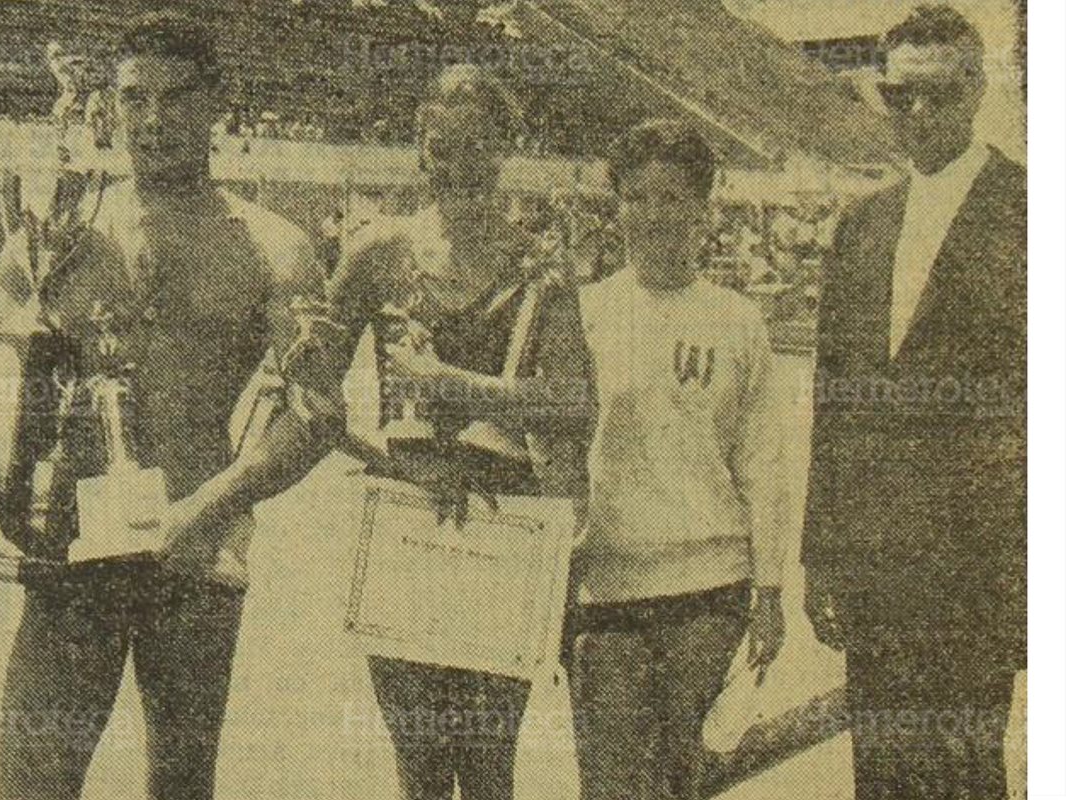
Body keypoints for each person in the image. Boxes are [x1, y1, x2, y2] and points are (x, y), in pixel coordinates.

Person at [0, 13, 341, 800]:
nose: (152, 120)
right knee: (32, 786)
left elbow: (318, 414)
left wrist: (207, 509)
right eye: (134, 97)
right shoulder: (65, 229)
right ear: (110, 107)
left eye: (177, 98)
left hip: (195, 556)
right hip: (69, 550)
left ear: (217, 103)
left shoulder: (272, 245)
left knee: (181, 789)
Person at [326, 63, 595, 800]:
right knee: (417, 770)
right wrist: (389, 463)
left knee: (486, 772)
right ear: (422, 149)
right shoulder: (377, 255)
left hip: (504, 524)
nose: (460, 165)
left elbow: (574, 406)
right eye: (444, 147)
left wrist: (454, 386)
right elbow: (307, 397)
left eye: (478, 147)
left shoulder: (541, 268)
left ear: (502, 151)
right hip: (406, 522)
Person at [801, 6, 1026, 799]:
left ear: (975, 92)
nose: (919, 114)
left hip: (974, 570)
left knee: (963, 774)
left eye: (938, 94)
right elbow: (833, 405)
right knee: (883, 775)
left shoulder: (1029, 216)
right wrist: (818, 554)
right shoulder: (861, 226)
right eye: (902, 97)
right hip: (874, 566)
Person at [565, 120, 788, 800]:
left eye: (671, 197)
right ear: (617, 207)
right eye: (637, 197)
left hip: (708, 587)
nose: (654, 214)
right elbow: (554, 451)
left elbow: (763, 461)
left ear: (702, 207)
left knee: (676, 783)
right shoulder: (583, 313)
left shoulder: (736, 320)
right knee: (608, 785)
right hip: (606, 585)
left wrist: (770, 589)